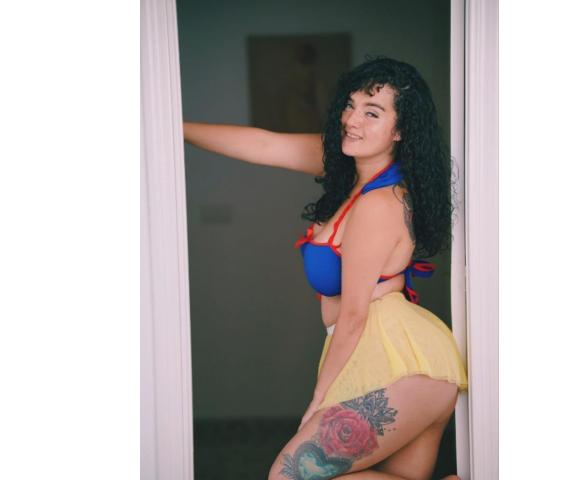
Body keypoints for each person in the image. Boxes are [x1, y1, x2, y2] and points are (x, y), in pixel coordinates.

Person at [184, 56, 468, 480]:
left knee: (288, 475)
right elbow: (264, 145)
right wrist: (170, 126)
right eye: (350, 105)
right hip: (392, 357)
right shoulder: (350, 168)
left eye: (372, 112)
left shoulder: (379, 203)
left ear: (400, 130)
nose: (352, 120)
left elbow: (353, 315)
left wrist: (319, 399)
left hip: (401, 361)